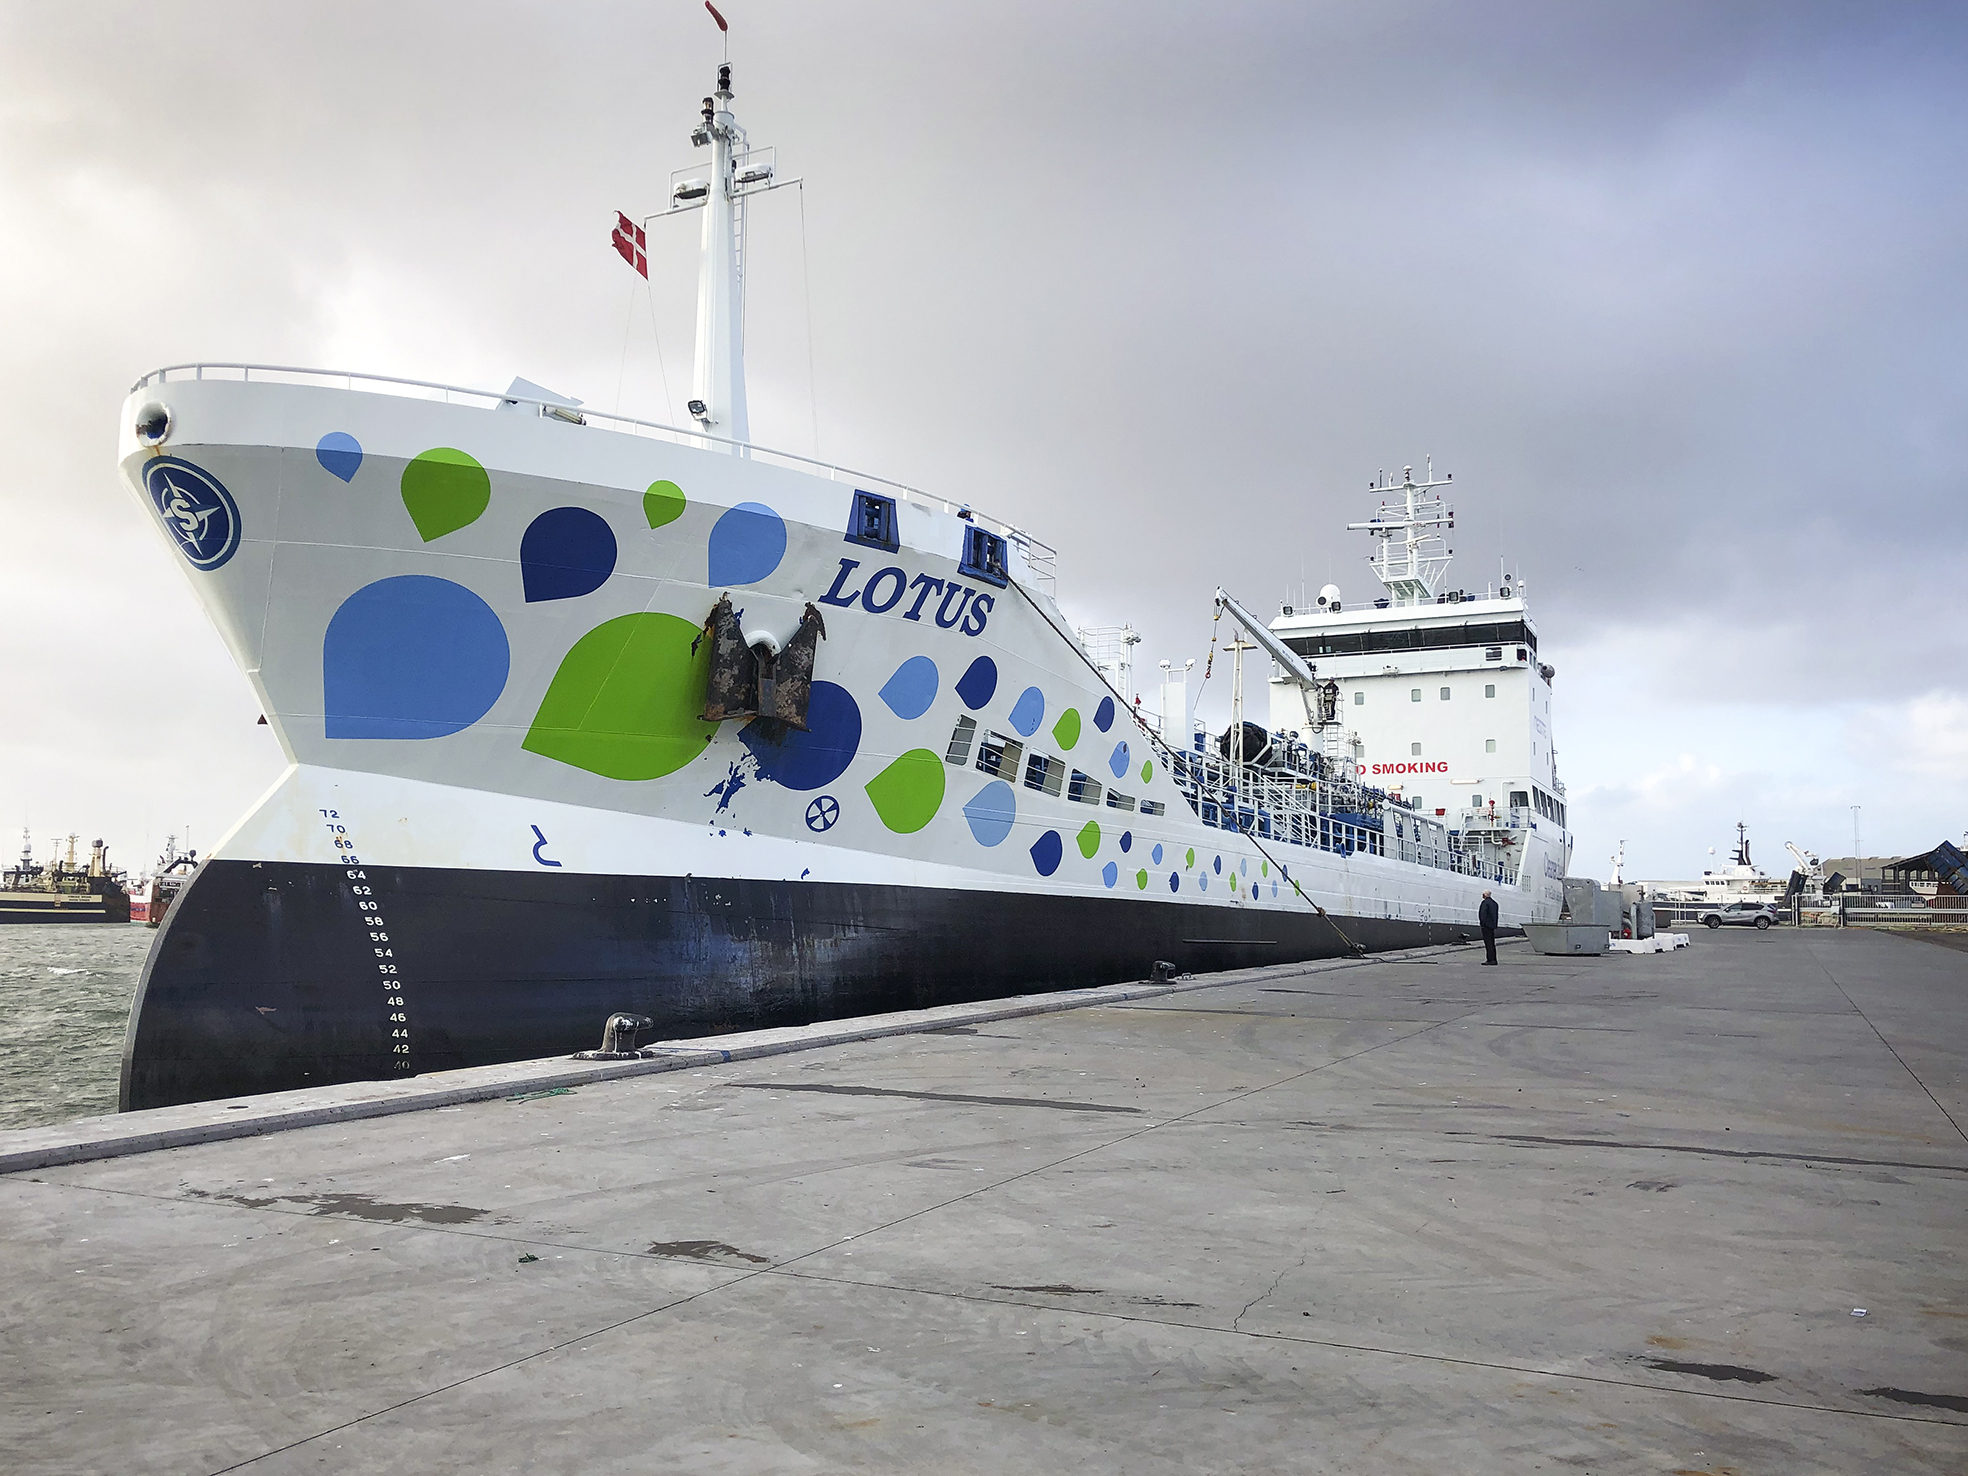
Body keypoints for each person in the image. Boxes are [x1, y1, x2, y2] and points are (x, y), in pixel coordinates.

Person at [1478, 889, 1500, 965]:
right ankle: (1494, 959)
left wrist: (1482, 923)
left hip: (1486, 926)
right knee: (1492, 943)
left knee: (1488, 943)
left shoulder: (1485, 903)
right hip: (1492, 926)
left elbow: (1482, 914)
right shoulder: (1495, 903)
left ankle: (1490, 960)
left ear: (1485, 895)